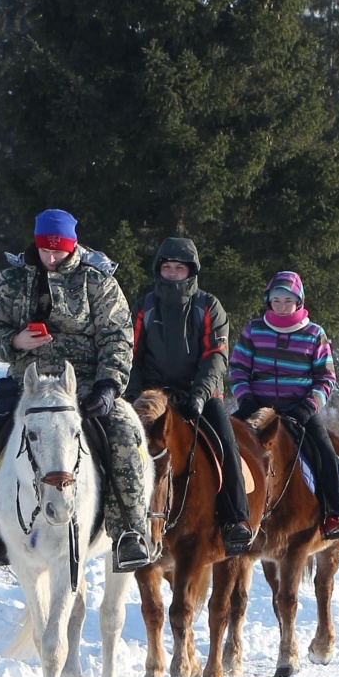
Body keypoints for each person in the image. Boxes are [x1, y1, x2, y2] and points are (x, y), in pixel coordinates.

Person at [0, 207, 152, 571]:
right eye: (45, 250)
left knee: (126, 435)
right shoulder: (12, 280)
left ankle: (129, 531)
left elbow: (118, 337)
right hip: (26, 387)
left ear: (72, 245)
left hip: (82, 387)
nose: (51, 257)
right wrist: (15, 340)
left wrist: (109, 386)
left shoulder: (97, 281)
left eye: (59, 251)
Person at [126, 235, 252, 555]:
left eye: (178, 269)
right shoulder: (144, 306)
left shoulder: (208, 306)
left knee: (225, 443)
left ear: (191, 272)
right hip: (153, 396)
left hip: (200, 393)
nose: (171, 273)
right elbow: (133, 355)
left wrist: (199, 394)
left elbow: (216, 356)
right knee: (119, 445)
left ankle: (236, 518)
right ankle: (120, 523)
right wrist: (135, 396)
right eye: (166, 267)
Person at [230, 271, 339, 539]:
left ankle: (331, 514)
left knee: (325, 452)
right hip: (257, 406)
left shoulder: (315, 333)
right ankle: (228, 512)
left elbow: (326, 378)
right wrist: (246, 398)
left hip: (299, 409)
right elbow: (237, 369)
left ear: (299, 301)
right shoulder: (254, 330)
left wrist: (308, 406)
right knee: (224, 442)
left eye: (288, 300)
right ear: (268, 301)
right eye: (277, 300)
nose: (282, 306)